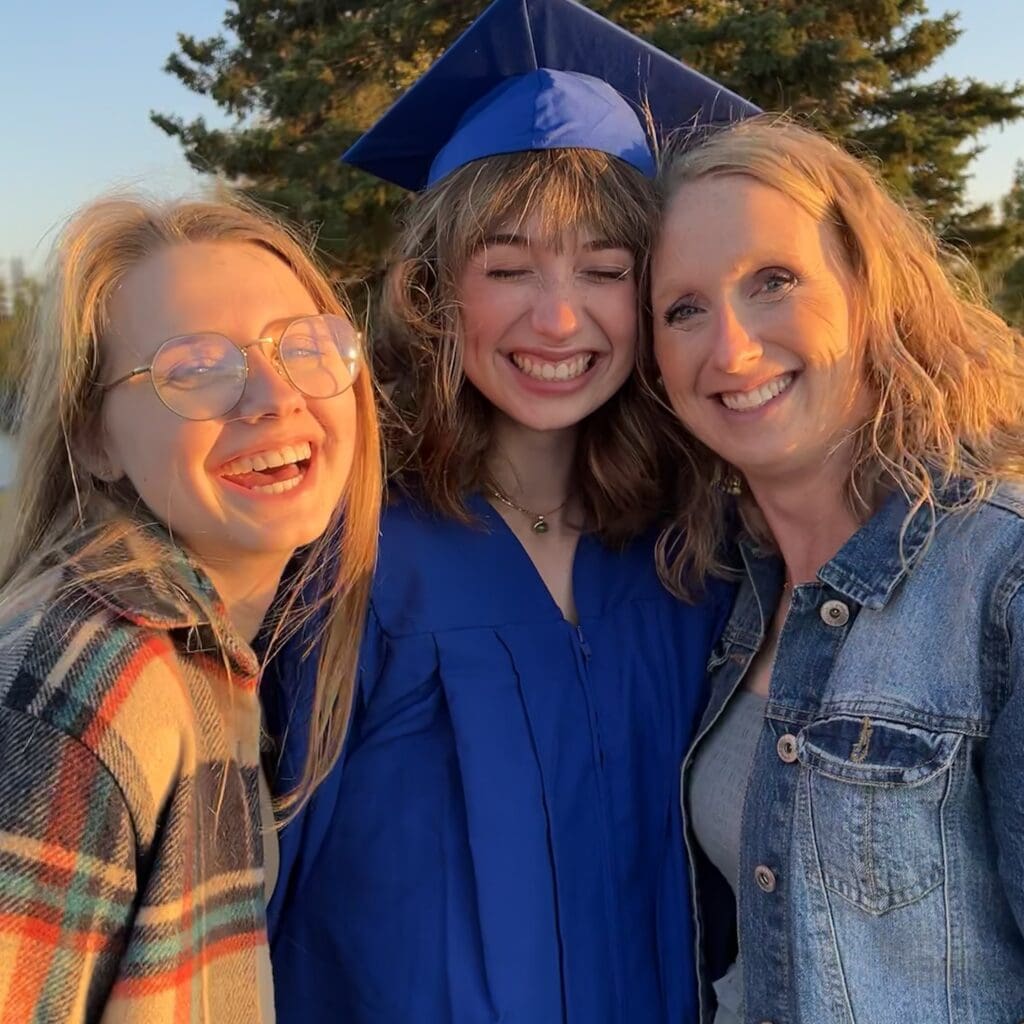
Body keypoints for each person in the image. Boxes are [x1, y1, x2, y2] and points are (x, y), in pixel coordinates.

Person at [263, 1, 755, 1021]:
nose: (558, 317)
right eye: (507, 267)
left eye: (605, 271)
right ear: (435, 291)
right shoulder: (340, 556)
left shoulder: (696, 556)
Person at [649, 114, 1024, 1024]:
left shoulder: (997, 578)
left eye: (772, 282)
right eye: (684, 309)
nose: (730, 350)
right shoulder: (726, 589)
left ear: (870, 288)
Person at [0, 195, 380, 1023]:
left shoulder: (212, 659)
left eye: (304, 347)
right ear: (93, 436)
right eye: (198, 369)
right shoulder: (89, 690)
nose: (275, 400)